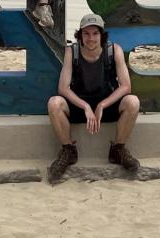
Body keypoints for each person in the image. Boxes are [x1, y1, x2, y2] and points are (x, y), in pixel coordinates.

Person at [46, 13, 141, 182]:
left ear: (102, 35)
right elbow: (63, 87)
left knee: (133, 102)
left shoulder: (114, 50)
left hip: (106, 106)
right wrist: (86, 106)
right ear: (80, 35)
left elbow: (126, 86)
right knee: (54, 103)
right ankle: (68, 150)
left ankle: (118, 150)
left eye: (95, 33)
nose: (91, 38)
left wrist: (102, 105)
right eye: (86, 33)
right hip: (80, 105)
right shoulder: (72, 51)